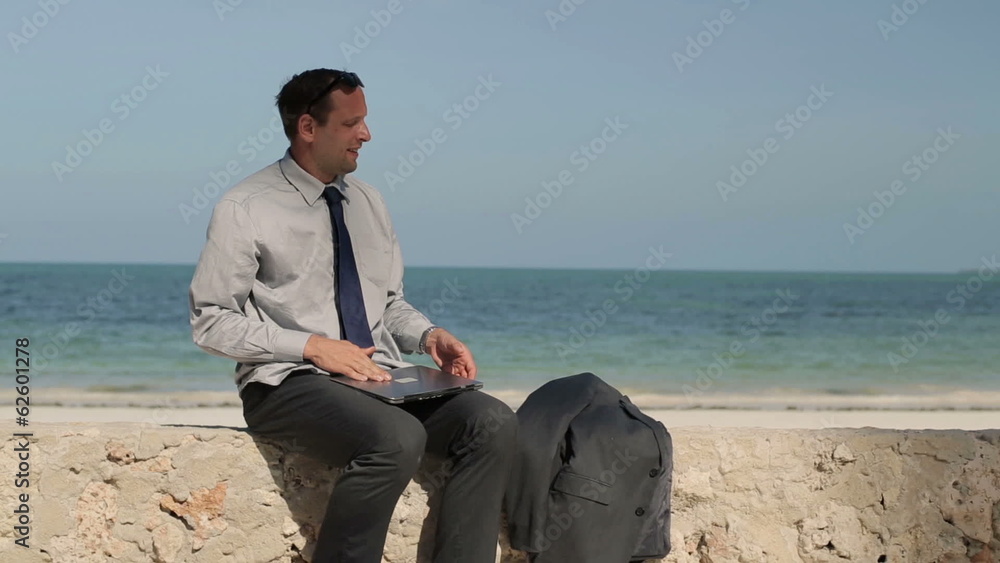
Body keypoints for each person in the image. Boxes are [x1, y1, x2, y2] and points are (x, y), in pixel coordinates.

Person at [188, 68, 518, 563]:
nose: (367, 134)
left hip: (379, 379)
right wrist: (314, 346)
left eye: (365, 121)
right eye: (352, 123)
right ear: (307, 128)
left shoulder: (368, 201)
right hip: (287, 384)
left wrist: (430, 337)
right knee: (396, 438)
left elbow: (387, 303)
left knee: (492, 422)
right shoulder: (244, 206)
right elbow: (211, 321)